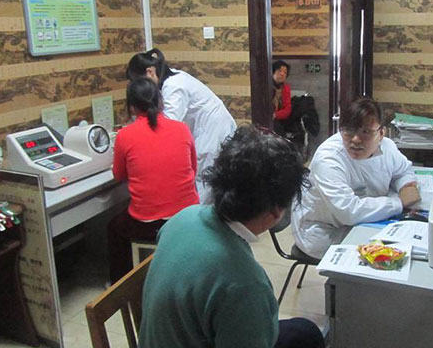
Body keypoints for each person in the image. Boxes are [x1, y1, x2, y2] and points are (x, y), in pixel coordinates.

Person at [139, 126, 325, 348]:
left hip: (177, 334)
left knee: (305, 332)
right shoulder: (245, 284)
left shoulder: (183, 218)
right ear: (276, 212)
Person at [292, 97, 421, 259]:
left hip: (363, 221)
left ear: (381, 133)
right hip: (325, 230)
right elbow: (348, 211)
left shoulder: (387, 146)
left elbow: (403, 170)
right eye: (348, 130)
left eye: (365, 132)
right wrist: (399, 202)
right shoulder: (329, 159)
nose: (355, 139)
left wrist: (407, 185)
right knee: (391, 255)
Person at [108, 77, 199, 283]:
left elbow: (119, 175)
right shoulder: (181, 128)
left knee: (114, 228)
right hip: (186, 216)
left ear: (132, 107)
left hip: (146, 223)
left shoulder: (124, 135)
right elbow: (193, 169)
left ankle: (120, 285)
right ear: (160, 100)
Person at [126, 48, 237, 204]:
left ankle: (204, 215)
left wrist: (138, 132)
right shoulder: (173, 77)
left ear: (150, 72)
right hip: (209, 128)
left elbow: (168, 124)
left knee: (204, 180)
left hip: (212, 130)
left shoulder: (174, 86)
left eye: (140, 81)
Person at [272, 60, 292, 136]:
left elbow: (287, 109)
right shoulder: (266, 85)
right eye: (279, 71)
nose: (282, 74)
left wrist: (275, 115)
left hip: (278, 119)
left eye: (285, 72)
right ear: (273, 72)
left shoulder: (286, 88)